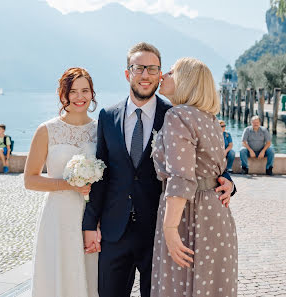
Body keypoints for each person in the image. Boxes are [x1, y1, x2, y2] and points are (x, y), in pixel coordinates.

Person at [82, 43, 235, 297]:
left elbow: (199, 161)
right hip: (115, 230)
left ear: (160, 74)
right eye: (139, 68)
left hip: (159, 228)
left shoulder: (174, 113)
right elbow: (103, 172)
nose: (146, 75)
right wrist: (90, 224)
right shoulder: (108, 116)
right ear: (127, 73)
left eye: (153, 69)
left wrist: (227, 180)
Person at [150, 57, 238, 297]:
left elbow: (181, 177)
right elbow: (214, 169)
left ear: (185, 81)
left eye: (170, 72)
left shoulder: (177, 116)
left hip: (188, 216)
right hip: (216, 213)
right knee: (210, 286)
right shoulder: (208, 118)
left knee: (179, 286)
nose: (163, 76)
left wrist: (170, 227)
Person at [24, 67, 99, 297]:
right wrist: (69, 185)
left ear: (92, 94)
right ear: (63, 94)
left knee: (90, 276)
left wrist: (98, 223)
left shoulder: (100, 130)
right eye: (73, 91)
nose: (80, 97)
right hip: (58, 216)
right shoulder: (47, 130)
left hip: (90, 217)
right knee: (58, 275)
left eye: (85, 90)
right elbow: (30, 180)